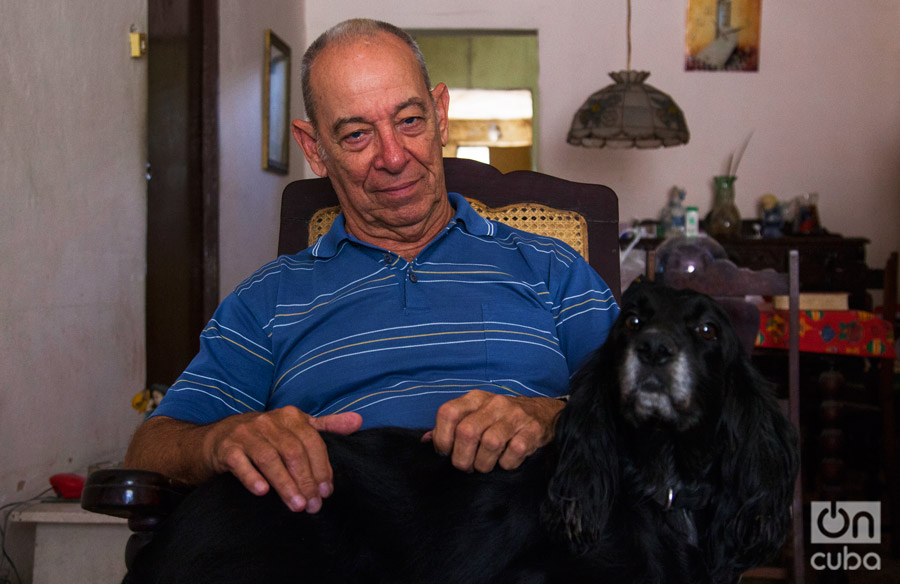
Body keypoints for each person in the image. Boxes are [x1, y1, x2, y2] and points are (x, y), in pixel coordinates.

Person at [124, 18, 618, 516]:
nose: (394, 157)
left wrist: (551, 417)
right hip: (338, 548)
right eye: (358, 134)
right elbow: (153, 448)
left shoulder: (553, 268)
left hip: (521, 540)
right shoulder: (268, 299)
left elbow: (650, 415)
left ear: (440, 115)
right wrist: (221, 440)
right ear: (314, 148)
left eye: (409, 121)